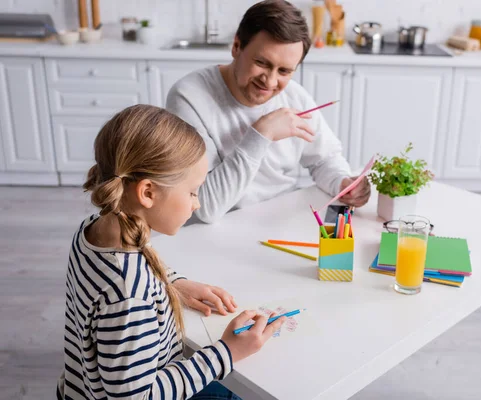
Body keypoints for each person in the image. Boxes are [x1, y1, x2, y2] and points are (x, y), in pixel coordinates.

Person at [56, 104, 285, 399]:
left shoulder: (97, 228)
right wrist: (227, 351)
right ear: (148, 192)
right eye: (192, 191)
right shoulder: (130, 295)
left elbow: (134, 270)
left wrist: (172, 283)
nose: (197, 203)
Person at [166, 0, 371, 224]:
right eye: (262, 63)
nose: (270, 81)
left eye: (284, 71)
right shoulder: (189, 97)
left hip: (281, 221)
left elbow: (324, 159)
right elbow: (207, 207)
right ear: (236, 46)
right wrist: (261, 133)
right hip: (221, 228)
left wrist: (342, 183)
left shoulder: (294, 95)